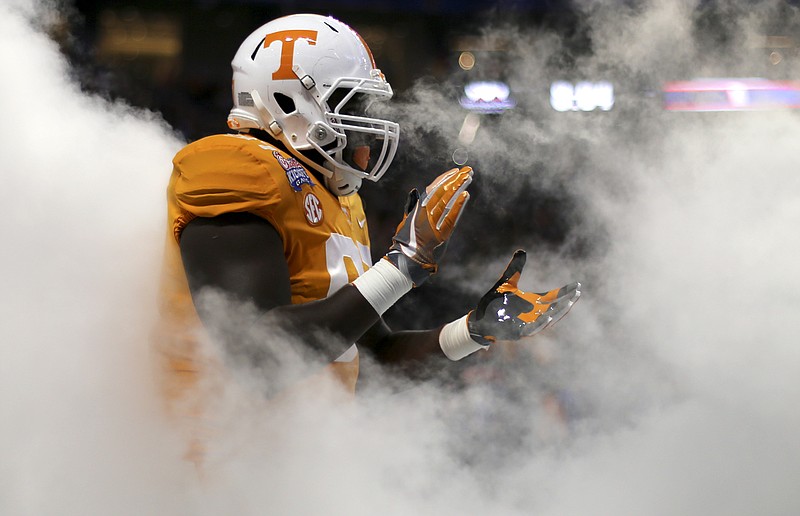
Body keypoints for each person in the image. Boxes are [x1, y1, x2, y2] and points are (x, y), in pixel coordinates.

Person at [154, 13, 580, 463]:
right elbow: (257, 356)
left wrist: (473, 330)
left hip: (295, 473)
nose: (361, 123)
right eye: (349, 105)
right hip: (214, 472)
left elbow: (371, 357)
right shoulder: (236, 167)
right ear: (288, 101)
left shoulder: (336, 199)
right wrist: (402, 266)